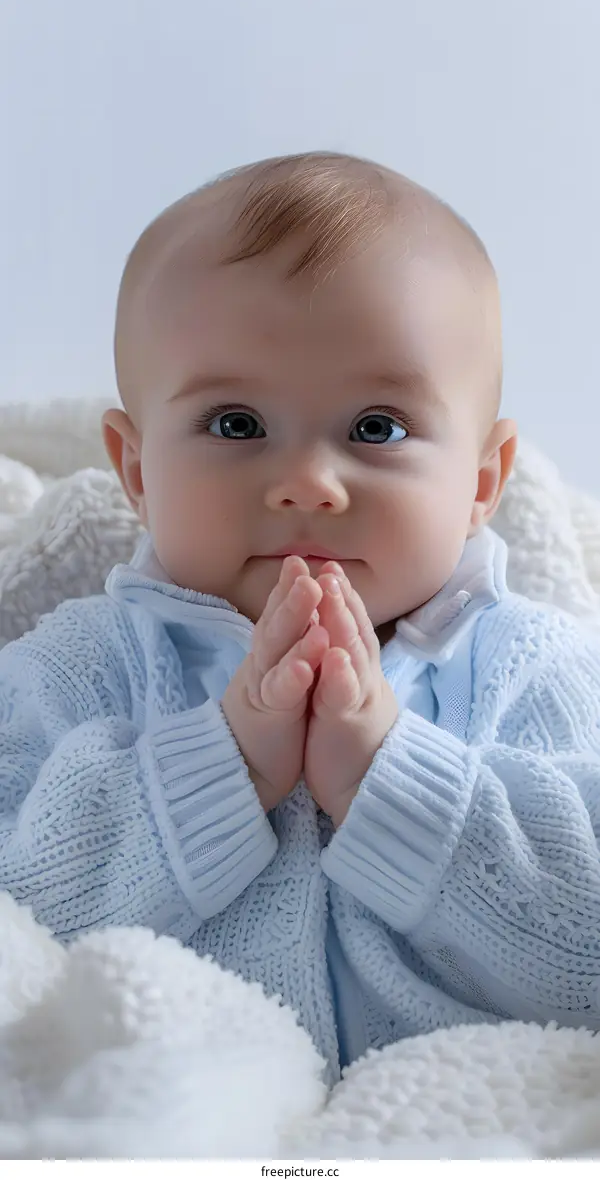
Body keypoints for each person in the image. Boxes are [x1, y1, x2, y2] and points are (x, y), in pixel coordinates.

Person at [2, 151, 600, 1082]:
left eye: (378, 428)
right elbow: (21, 927)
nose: (310, 485)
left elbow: (587, 952)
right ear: (136, 471)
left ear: (481, 482)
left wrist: (393, 785)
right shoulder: (83, 666)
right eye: (236, 424)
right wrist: (220, 770)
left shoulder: (535, 668)